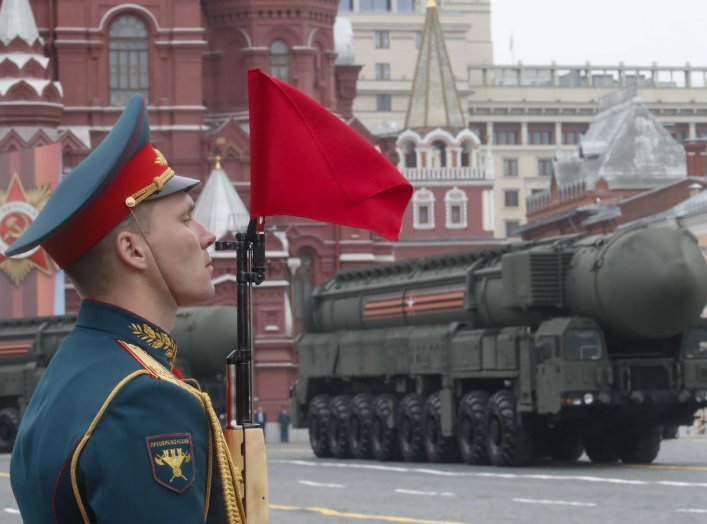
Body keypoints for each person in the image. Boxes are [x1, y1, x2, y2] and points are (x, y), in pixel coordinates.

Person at [6, 95, 245, 524]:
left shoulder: (69, 374)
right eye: (187, 218)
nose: (208, 235)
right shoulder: (143, 398)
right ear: (133, 249)